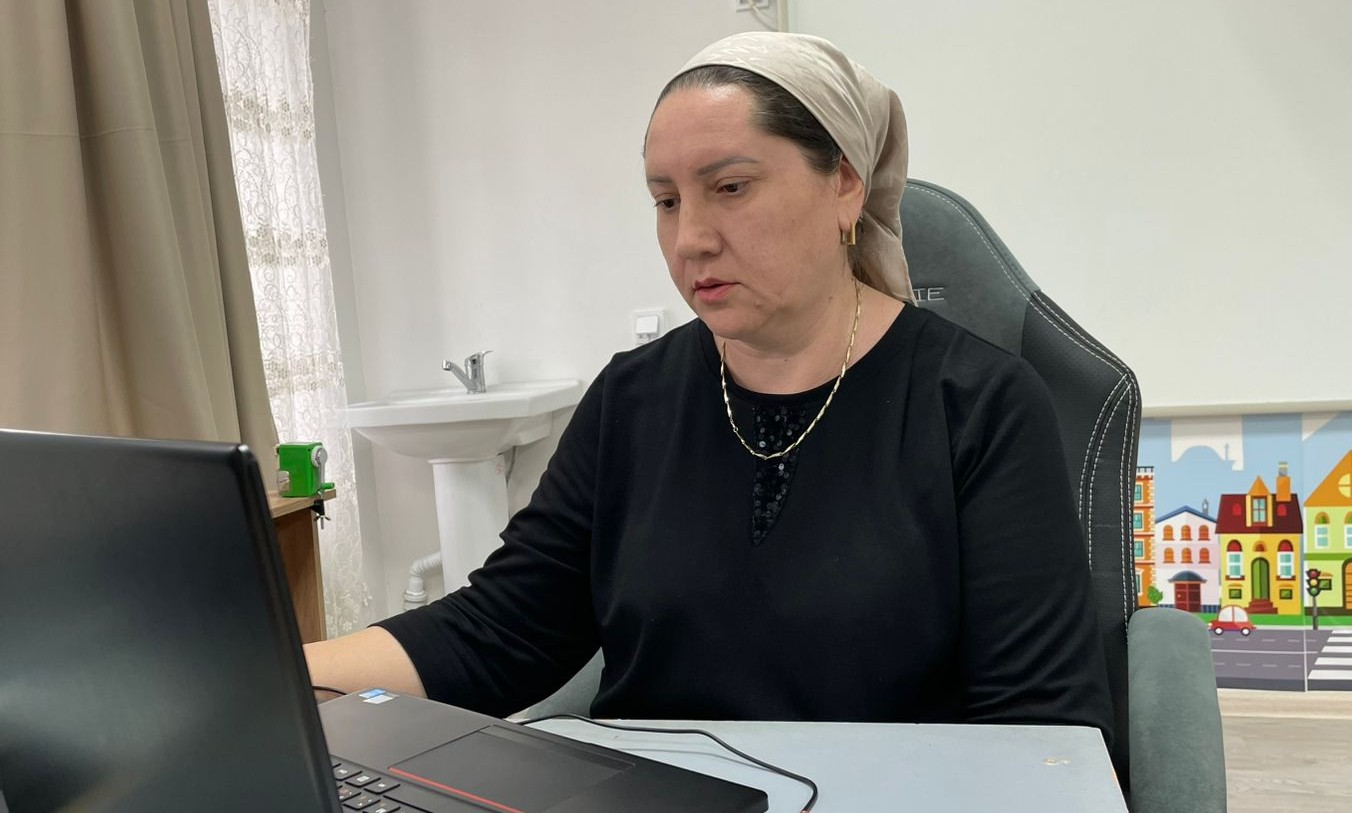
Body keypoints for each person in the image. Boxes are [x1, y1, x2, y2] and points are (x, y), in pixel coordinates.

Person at [306, 31, 1113, 747]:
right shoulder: (630, 401)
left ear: (845, 184)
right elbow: (499, 632)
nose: (689, 238)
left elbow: (1041, 727)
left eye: (730, 187)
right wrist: (278, 675)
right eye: (666, 200)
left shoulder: (977, 405)